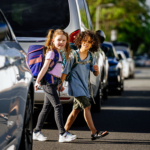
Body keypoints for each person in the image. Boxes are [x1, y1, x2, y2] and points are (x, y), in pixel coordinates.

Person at [59, 30, 108, 140]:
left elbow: (94, 72)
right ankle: (94, 132)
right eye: (84, 41)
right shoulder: (73, 55)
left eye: (89, 42)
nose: (86, 43)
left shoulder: (91, 57)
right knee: (87, 106)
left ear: (92, 44)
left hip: (84, 86)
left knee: (75, 111)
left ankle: (64, 132)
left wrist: (97, 71)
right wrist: (60, 84)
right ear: (80, 41)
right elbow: (65, 71)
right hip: (75, 85)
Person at [33, 29, 77, 143]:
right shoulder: (51, 52)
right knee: (58, 106)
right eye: (58, 40)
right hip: (47, 83)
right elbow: (45, 68)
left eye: (63, 40)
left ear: (66, 42)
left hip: (53, 83)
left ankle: (36, 132)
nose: (61, 42)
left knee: (46, 108)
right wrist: (37, 81)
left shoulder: (58, 53)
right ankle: (62, 134)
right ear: (53, 41)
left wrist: (59, 84)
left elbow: (56, 71)